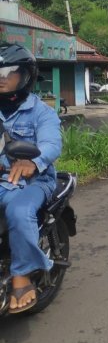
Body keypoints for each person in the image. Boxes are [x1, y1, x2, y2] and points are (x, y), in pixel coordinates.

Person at [0, 43, 62, 313]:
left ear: (25, 76)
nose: (2, 77)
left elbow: (52, 144)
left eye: (10, 71)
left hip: (36, 182)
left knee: (20, 209)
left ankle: (22, 277)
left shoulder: (41, 112)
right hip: (3, 180)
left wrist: (33, 162)